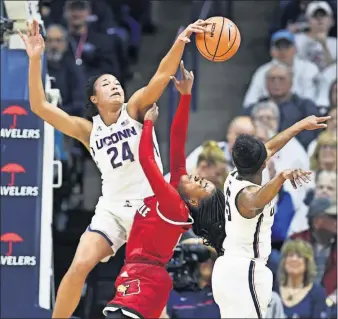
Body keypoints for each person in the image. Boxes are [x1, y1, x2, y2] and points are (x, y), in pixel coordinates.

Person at [19, 19, 210, 318]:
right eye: (106, 84)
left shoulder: (134, 108)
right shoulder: (87, 130)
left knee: (148, 289)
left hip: (149, 210)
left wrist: (181, 39)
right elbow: (40, 106)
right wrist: (34, 59)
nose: (115, 85)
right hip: (111, 208)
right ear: (95, 99)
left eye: (117, 82)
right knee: (80, 264)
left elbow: (162, 73)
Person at [103, 64, 225, 319]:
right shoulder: (178, 187)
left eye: (201, 185)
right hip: (140, 274)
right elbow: (178, 139)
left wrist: (147, 125)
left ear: (193, 200)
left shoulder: (174, 204)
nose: (197, 177)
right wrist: (185, 96)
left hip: (144, 279)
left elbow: (147, 161)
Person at [193, 114, 330, 318]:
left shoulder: (234, 176)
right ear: (264, 164)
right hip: (245, 271)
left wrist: (300, 125)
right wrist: (281, 177)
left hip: (229, 268)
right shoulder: (247, 197)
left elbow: (270, 147)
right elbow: (257, 199)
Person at [277, 239, 328, 319]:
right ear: (284, 261)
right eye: (290, 255)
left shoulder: (318, 293)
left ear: (307, 263)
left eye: (299, 256)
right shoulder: (272, 289)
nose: (294, 259)